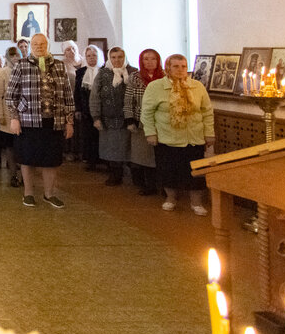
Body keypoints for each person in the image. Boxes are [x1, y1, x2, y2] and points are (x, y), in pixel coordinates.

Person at [5, 33, 75, 208]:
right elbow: (10, 95)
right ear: (31, 46)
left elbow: (68, 95)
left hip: (54, 120)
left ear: (47, 46)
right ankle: (28, 193)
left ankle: (49, 194)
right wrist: (14, 118)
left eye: (42, 44)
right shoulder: (21, 65)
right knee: (27, 158)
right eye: (35, 44)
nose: (38, 47)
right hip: (28, 120)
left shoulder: (59, 66)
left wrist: (69, 121)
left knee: (51, 159)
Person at [141, 54, 215, 215]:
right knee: (169, 171)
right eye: (175, 66)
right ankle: (171, 199)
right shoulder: (155, 87)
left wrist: (209, 134)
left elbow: (207, 112)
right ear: (168, 67)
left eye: (183, 66)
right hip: (167, 138)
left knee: (195, 172)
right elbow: (147, 113)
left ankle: (196, 203)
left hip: (193, 138)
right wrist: (150, 133)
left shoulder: (197, 86)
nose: (180, 70)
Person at [90, 47, 135, 186]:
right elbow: (95, 96)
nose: (117, 60)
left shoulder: (133, 72)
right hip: (109, 117)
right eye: (114, 57)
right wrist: (96, 117)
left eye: (120, 57)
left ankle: (136, 177)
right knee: (112, 148)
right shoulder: (103, 73)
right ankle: (115, 175)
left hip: (130, 118)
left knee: (130, 147)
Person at [124, 48, 162, 196]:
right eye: (146, 59)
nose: (149, 62)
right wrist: (129, 119)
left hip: (160, 122)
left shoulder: (164, 76)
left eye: (153, 59)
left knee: (158, 155)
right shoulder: (135, 77)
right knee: (143, 155)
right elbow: (128, 100)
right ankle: (148, 184)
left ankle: (162, 184)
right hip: (140, 122)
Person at [0, 46, 22, 189]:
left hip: (23, 115)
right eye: (12, 55)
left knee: (22, 146)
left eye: (17, 55)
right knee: (10, 146)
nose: (15, 57)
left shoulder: (24, 71)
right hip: (7, 115)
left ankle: (22, 174)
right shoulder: (2, 73)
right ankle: (13, 175)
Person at [75, 44, 104, 171]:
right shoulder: (81, 72)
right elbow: (77, 92)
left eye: (94, 55)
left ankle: (103, 160)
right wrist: (78, 109)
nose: (91, 58)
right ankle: (90, 161)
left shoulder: (104, 71)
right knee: (88, 136)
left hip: (102, 109)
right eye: (88, 56)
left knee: (101, 136)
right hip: (86, 109)